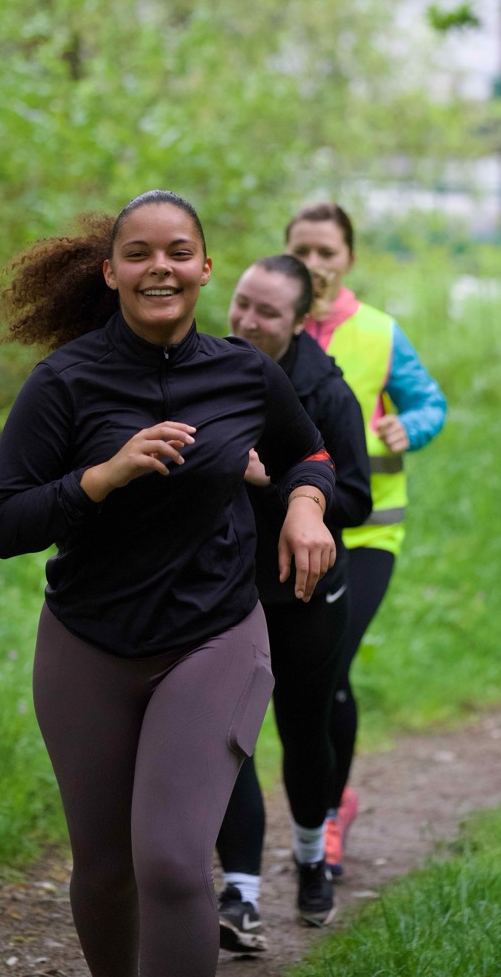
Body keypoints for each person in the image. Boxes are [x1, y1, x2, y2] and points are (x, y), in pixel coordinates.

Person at [0, 191, 337, 977]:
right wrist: (103, 476)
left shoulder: (245, 373)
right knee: (106, 867)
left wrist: (304, 508)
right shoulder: (64, 382)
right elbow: (4, 523)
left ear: (205, 268)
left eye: (178, 252)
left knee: (173, 863)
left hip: (214, 635)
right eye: (137, 253)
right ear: (110, 272)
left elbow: (307, 453)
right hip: (88, 642)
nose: (159, 268)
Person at [284, 202, 447, 877]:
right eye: (302, 250)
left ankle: (327, 814)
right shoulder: (269, 324)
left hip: (369, 530)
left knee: (331, 670)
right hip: (292, 533)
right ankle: (317, 802)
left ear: (348, 258)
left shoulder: (380, 332)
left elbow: (429, 401)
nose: (314, 264)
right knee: (296, 677)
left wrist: (413, 426)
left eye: (327, 252)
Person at [215, 255, 372, 949]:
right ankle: (240, 894)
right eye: (241, 303)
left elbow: (357, 500)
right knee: (227, 739)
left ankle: (311, 859)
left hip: (307, 596)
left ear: (301, 320)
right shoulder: (209, 370)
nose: (247, 320)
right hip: (226, 590)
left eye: (267, 311)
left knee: (305, 732)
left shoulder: (327, 394)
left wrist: (276, 482)